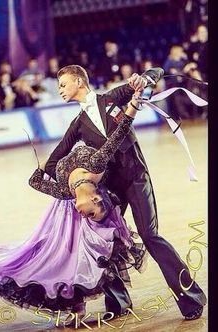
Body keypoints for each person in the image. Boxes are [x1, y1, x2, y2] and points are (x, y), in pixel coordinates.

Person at [43, 65, 207, 321]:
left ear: (78, 81)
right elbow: (53, 163)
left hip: (136, 179)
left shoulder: (112, 97)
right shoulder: (77, 124)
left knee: (150, 236)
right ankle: (118, 302)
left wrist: (143, 78)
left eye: (63, 84)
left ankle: (191, 297)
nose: (60, 90)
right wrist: (77, 180)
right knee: (104, 244)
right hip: (109, 190)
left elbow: (157, 71)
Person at [0, 88, 147, 321]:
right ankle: (93, 305)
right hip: (78, 190)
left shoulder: (63, 193)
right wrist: (133, 106)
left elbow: (34, 181)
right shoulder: (96, 163)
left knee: (76, 259)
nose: (85, 215)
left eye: (89, 216)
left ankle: (83, 307)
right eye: (91, 213)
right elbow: (118, 134)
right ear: (95, 198)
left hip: (64, 214)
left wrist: (41, 168)